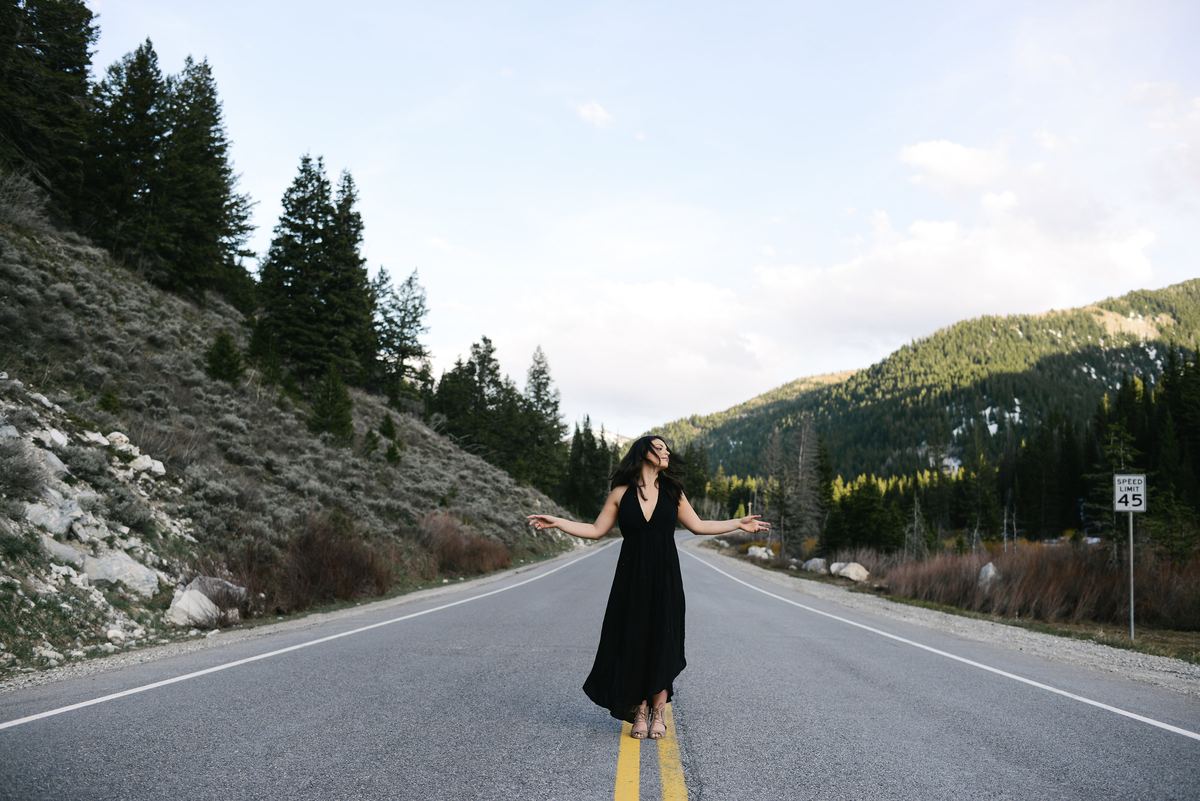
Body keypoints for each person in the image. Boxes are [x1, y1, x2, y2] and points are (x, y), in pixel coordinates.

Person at [527, 435, 771, 740]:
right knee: (634, 640)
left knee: (662, 640)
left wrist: (738, 523)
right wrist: (558, 522)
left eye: (667, 449)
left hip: (666, 577)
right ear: (644, 453)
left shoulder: (673, 491)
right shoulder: (620, 493)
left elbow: (698, 526)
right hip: (630, 580)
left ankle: (659, 710)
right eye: (660, 448)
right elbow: (595, 530)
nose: (667, 452)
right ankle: (638, 710)